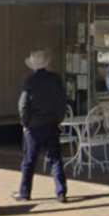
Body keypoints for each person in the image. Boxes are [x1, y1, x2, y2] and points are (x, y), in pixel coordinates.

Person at [15, 50, 68, 203]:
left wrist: (25, 123)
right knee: (56, 159)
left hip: (35, 126)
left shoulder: (30, 81)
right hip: (51, 123)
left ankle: (25, 192)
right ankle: (61, 191)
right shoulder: (55, 79)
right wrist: (58, 119)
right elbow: (61, 102)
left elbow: (23, 104)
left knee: (29, 161)